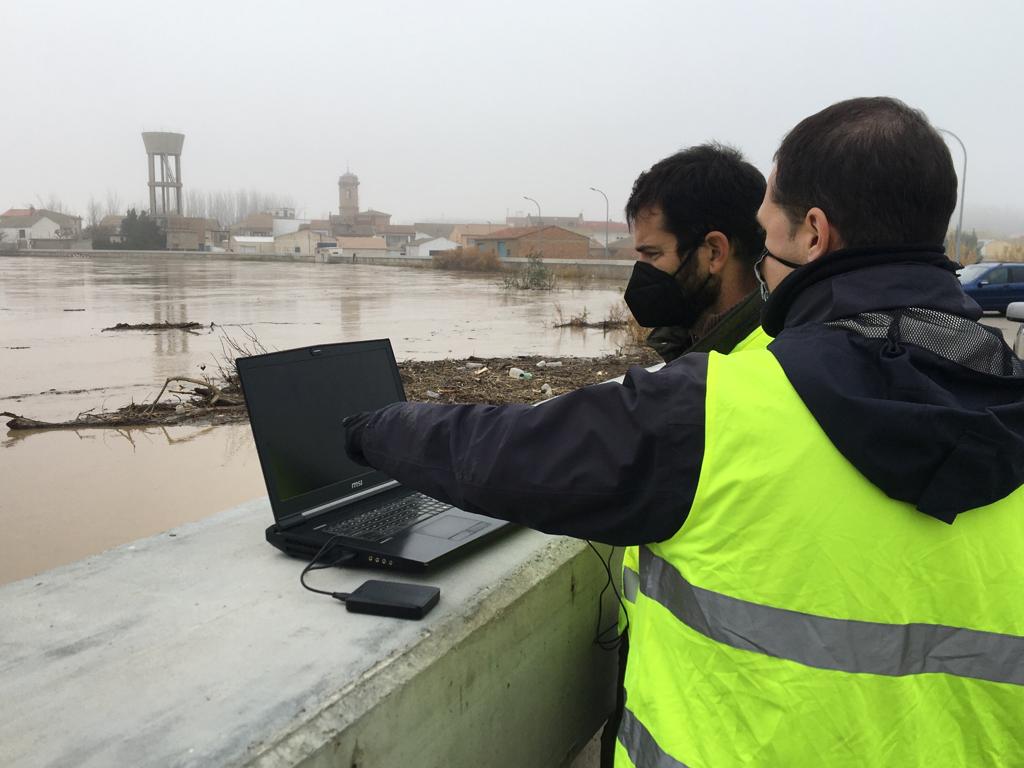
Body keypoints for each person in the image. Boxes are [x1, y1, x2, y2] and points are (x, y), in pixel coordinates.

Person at [345, 97, 1024, 766]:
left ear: (814, 233)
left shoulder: (722, 403)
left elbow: (505, 454)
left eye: (770, 229)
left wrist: (369, 428)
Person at [613, 142, 768, 767]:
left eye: (651, 255)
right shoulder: (714, 355)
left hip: (717, 726)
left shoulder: (743, 378)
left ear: (713, 250)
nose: (639, 277)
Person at [623, 143, 767, 363]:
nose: (641, 270)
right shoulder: (695, 344)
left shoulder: (763, 361)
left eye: (653, 254)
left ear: (714, 252)